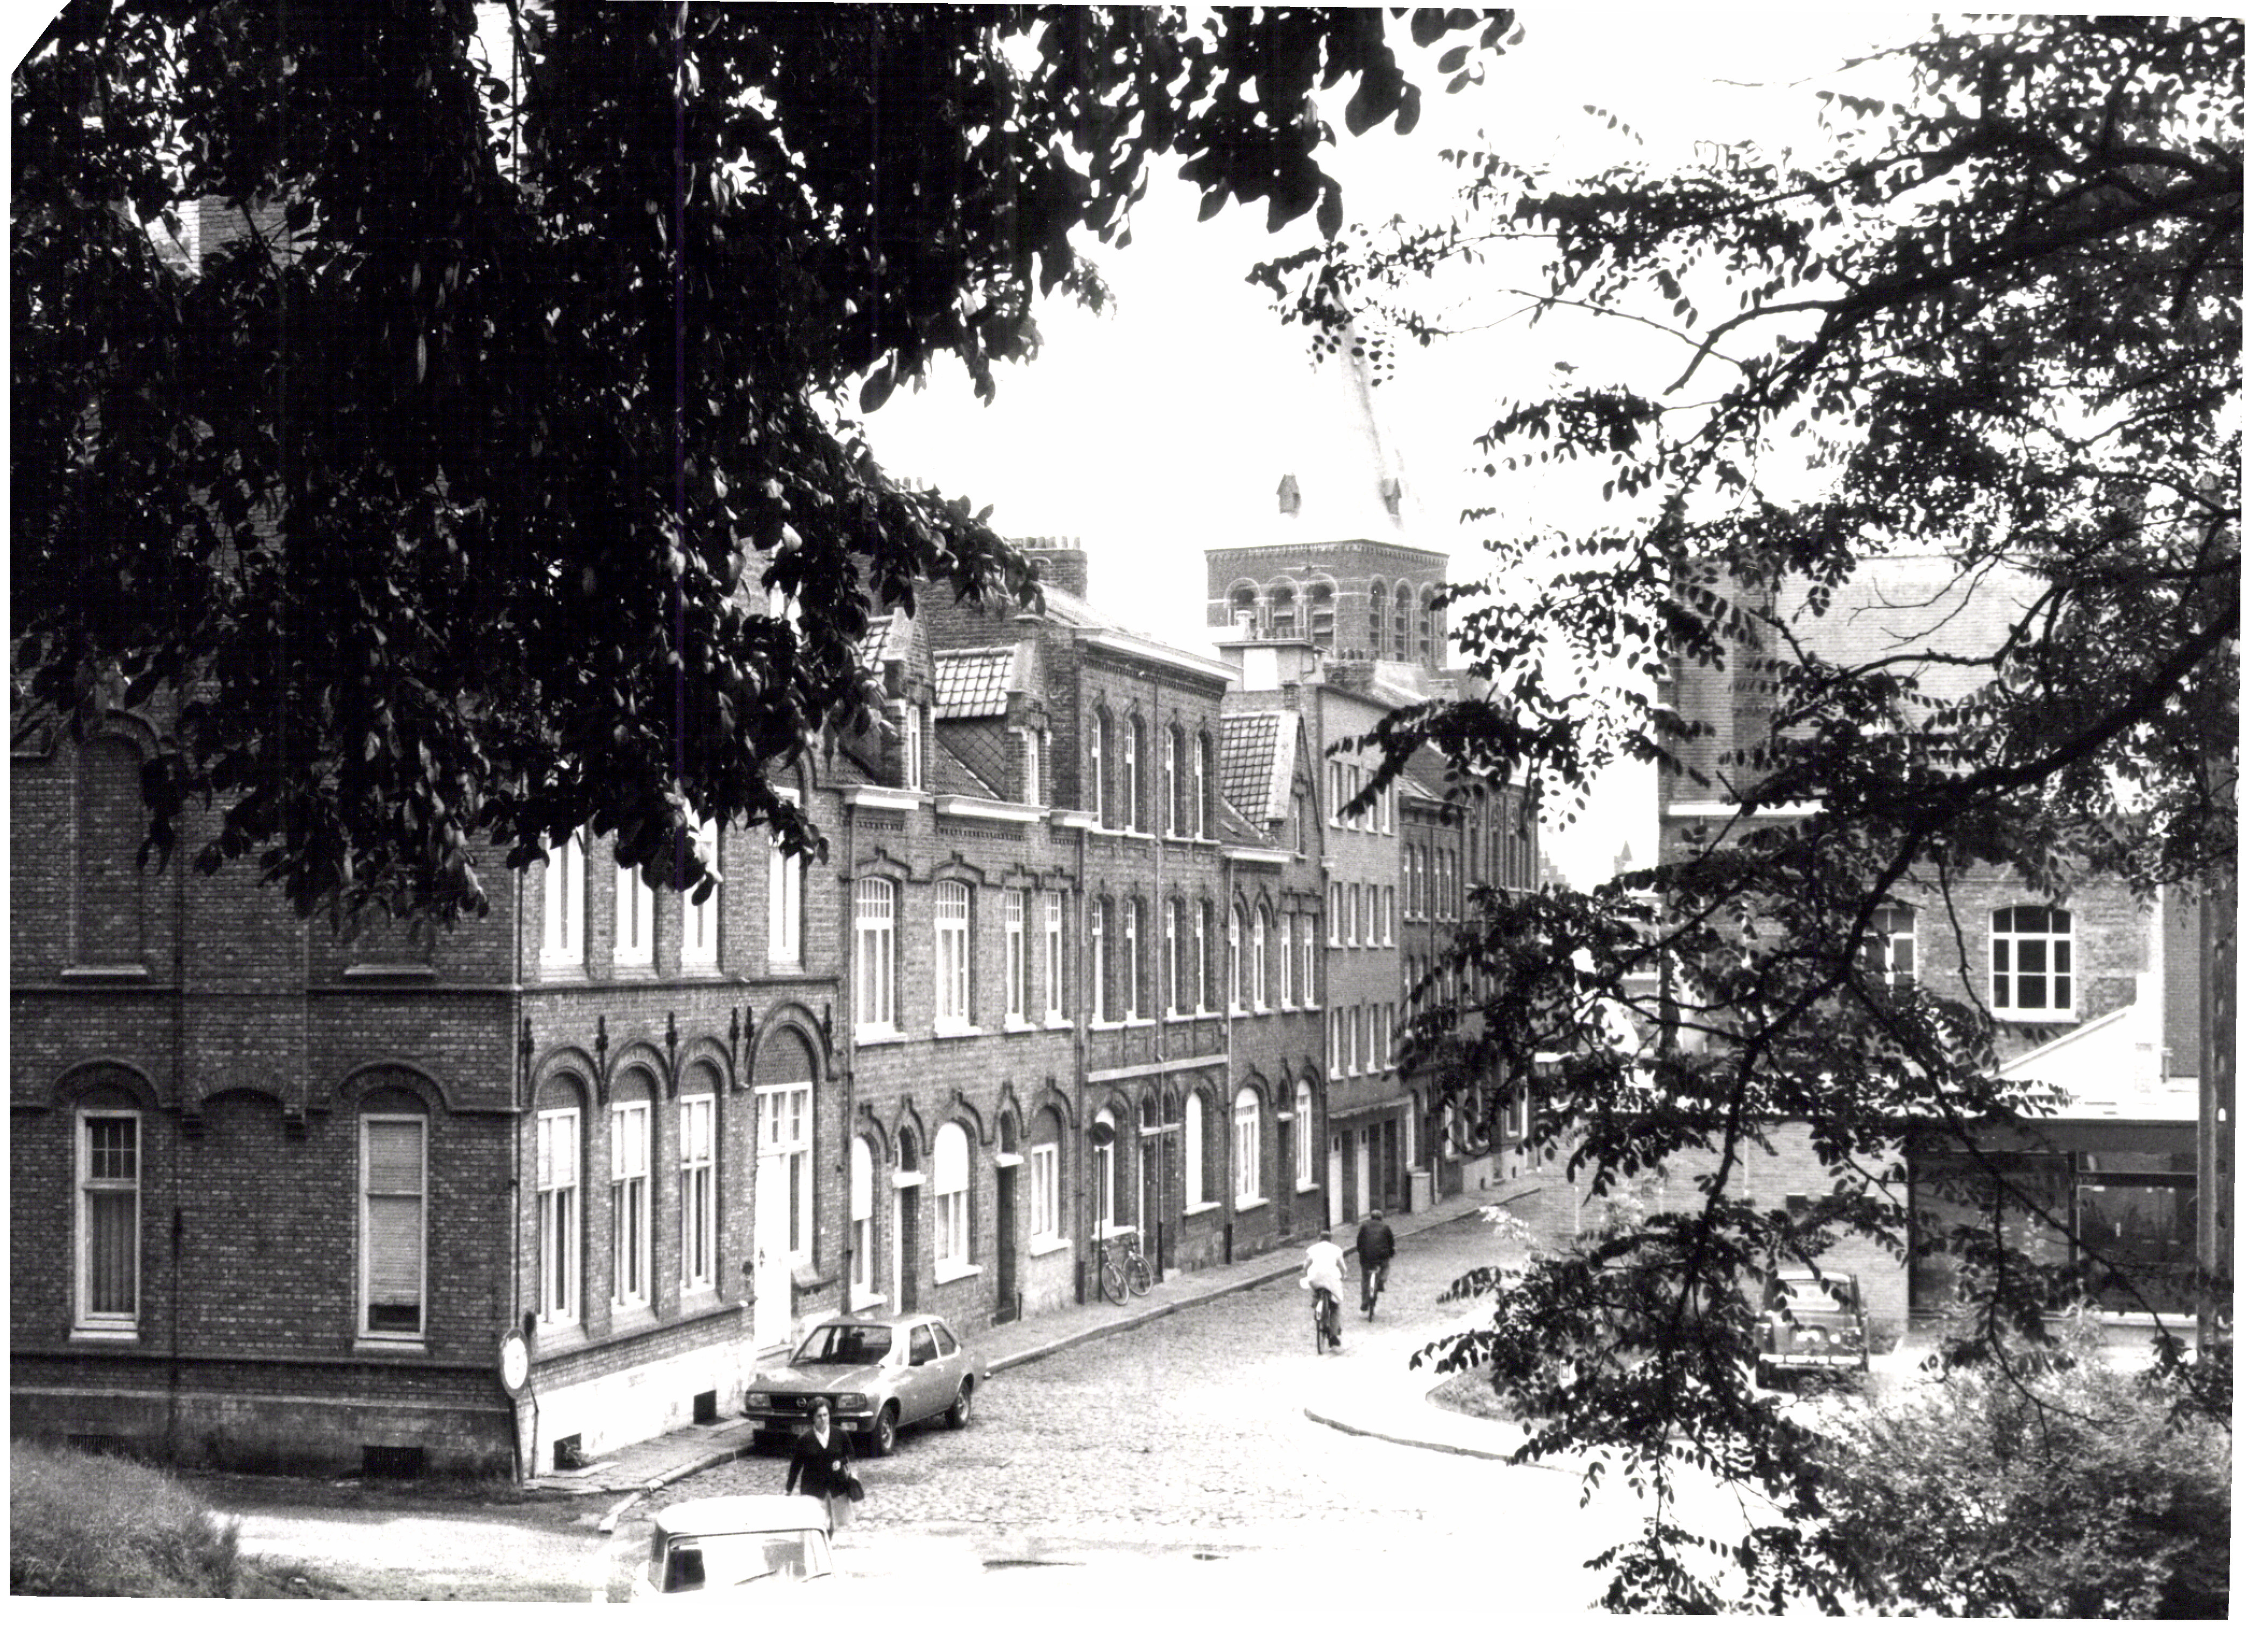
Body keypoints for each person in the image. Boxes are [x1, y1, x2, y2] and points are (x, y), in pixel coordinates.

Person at [783, 1397, 856, 1531]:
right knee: (815, 1526)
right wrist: (788, 1489)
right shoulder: (805, 1439)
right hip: (813, 1489)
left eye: (826, 1415)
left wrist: (840, 1462)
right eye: (819, 1416)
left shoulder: (840, 1434)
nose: (823, 1419)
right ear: (813, 1418)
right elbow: (796, 1467)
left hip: (836, 1488)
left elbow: (851, 1455)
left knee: (832, 1526)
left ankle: (827, 1543)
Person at [1302, 1228, 1347, 1349]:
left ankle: (1316, 1304)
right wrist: (1344, 1275)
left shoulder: (1313, 1249)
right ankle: (1333, 1336)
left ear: (1319, 1239)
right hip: (1331, 1278)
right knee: (1335, 1306)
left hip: (1316, 1278)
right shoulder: (1336, 1249)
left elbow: (1306, 1265)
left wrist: (1306, 1273)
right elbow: (1343, 1267)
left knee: (1316, 1291)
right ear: (1330, 1240)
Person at [1355, 1208, 1396, 1318]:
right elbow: (1391, 1242)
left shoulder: (1364, 1226)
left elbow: (1359, 1241)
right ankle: (1381, 1282)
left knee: (1365, 1278)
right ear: (1381, 1218)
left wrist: (1360, 1252)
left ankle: (1365, 1301)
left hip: (1367, 1257)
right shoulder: (1386, 1227)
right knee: (1385, 1267)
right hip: (1382, 1257)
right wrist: (1392, 1253)